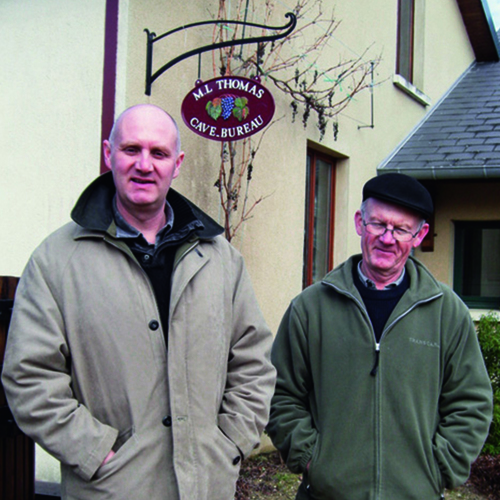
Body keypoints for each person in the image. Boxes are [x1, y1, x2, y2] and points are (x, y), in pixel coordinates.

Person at [2, 104, 276, 500]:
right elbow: (29, 377)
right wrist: (93, 451)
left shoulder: (221, 260)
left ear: (177, 164)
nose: (144, 165)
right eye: (131, 149)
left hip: (206, 487)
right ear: (108, 153)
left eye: (158, 153)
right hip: (112, 488)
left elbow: (253, 363)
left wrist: (230, 440)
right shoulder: (56, 261)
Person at [267, 173, 493, 500]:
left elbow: (471, 402)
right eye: (378, 224)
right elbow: (280, 394)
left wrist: (440, 467)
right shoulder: (310, 308)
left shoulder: (447, 312)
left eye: (400, 229)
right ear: (360, 223)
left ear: (419, 235)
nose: (387, 238)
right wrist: (311, 458)